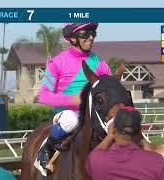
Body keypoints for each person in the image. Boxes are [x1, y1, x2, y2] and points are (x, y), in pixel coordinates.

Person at [36, 23, 111, 169]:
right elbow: (44, 96)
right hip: (66, 114)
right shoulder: (57, 62)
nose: (90, 37)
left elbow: (111, 89)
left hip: (94, 113)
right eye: (85, 33)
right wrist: (73, 99)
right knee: (72, 120)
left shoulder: (100, 63)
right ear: (72, 38)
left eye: (93, 33)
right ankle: (46, 148)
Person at [86, 106, 164, 180]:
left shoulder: (97, 159)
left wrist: (109, 137)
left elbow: (95, 154)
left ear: (113, 130)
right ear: (139, 132)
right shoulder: (155, 160)